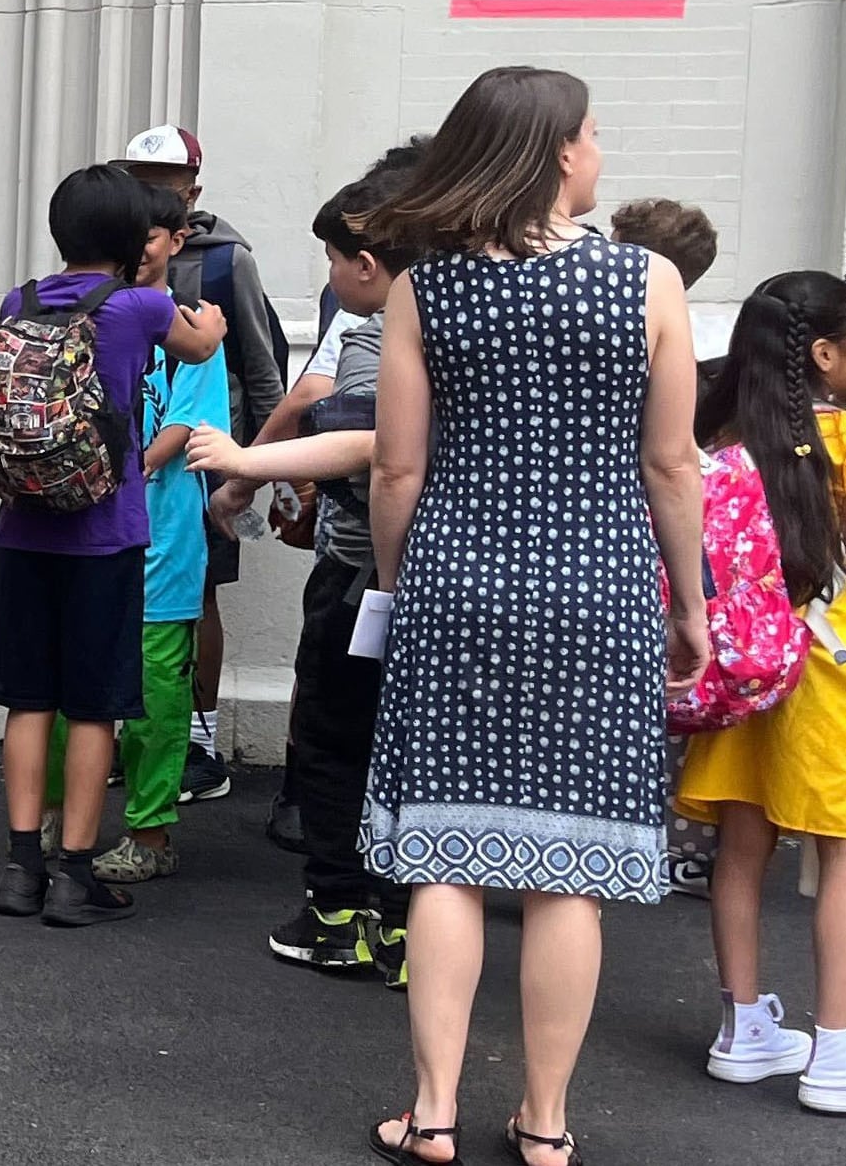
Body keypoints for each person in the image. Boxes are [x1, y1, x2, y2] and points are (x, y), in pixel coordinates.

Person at [355, 65, 708, 1166]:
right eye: (593, 134)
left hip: (458, 577)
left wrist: (394, 580)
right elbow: (668, 463)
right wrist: (687, 601)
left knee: (444, 858)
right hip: (597, 585)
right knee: (571, 869)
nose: (599, 152)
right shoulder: (644, 280)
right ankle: (545, 1123)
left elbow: (395, 468)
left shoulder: (426, 287)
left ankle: (432, 1111)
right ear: (558, 153)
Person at [0, 164, 225, 930]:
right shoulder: (138, 306)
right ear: (128, 236)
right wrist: (209, 319)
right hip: (105, 535)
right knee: (91, 708)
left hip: (22, 530)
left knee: (29, 700)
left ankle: (23, 868)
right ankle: (75, 876)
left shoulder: (17, 302)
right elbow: (198, 343)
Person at [189, 156, 416, 982]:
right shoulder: (481, 325)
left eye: (329, 259)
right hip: (448, 578)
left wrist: (243, 462)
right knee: (411, 750)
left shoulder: (375, 339)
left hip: (363, 577)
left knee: (331, 739)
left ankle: (335, 912)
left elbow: (369, 446)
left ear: (363, 262)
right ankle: (405, 924)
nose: (326, 276)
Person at [673, 271, 846, 1109]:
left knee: (740, 854)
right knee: (840, 860)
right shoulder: (840, 443)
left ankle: (742, 1028)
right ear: (822, 354)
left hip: (744, 665)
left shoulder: (724, 436)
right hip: (830, 678)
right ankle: (835, 1052)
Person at [44, 188, 229, 886]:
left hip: (164, 543)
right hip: (93, 537)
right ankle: (64, 819)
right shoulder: (85, 318)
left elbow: (185, 429)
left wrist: (113, 469)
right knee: (70, 696)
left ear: (175, 241)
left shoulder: (189, 333)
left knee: (154, 698)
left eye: (154, 234)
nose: (143, 247)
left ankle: (149, 832)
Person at [118, 124, 284, 803]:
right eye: (138, 179)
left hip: (204, 456)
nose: (150, 193)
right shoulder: (106, 250)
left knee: (196, 597)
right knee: (125, 594)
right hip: (127, 457)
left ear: (192, 190)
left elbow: (259, 363)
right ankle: (132, 729)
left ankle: (197, 738)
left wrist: (265, 466)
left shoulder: (225, 259)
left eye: (162, 182)